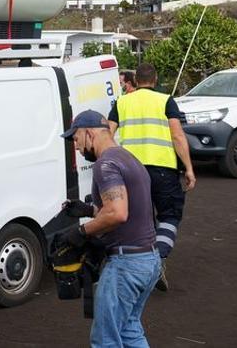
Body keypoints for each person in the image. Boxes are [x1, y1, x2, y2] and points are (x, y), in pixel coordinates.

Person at [58, 110, 160, 348]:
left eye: (76, 139)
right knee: (129, 331)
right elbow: (125, 208)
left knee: (105, 340)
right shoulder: (127, 157)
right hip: (149, 259)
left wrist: (81, 232)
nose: (76, 147)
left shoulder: (105, 165)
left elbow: (117, 213)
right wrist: (87, 210)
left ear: (89, 133)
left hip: (127, 265)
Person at [107, 63, 195, 291]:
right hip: (163, 168)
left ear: (135, 81)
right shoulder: (165, 100)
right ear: (155, 79)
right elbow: (177, 135)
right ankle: (157, 261)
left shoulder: (122, 102)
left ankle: (137, 268)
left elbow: (108, 134)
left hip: (130, 170)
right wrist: (188, 168)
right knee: (169, 215)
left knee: (141, 220)